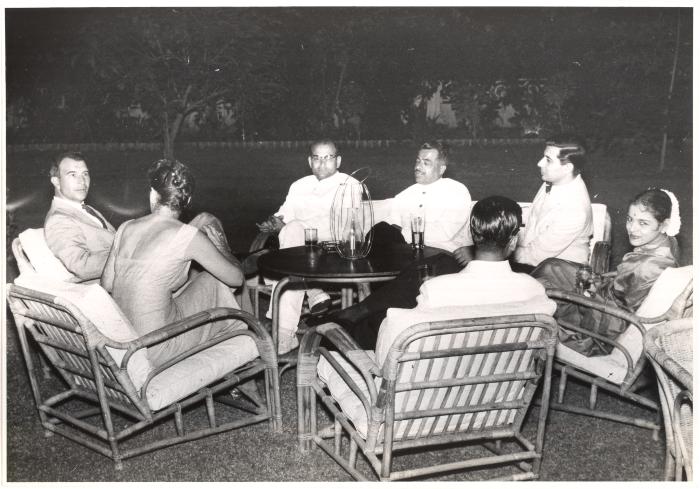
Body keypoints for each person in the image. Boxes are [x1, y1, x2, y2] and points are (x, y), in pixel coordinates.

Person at [101, 159, 246, 367]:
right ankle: (241, 355)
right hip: (157, 348)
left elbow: (107, 285)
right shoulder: (188, 236)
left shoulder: (125, 227)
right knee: (217, 281)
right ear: (187, 201)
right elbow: (237, 279)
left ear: (153, 193)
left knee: (202, 281)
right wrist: (220, 243)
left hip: (125, 342)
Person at [374, 196, 557, 355]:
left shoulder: (436, 290)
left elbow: (390, 357)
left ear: (473, 235)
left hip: (435, 392)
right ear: (514, 241)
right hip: (506, 393)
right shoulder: (534, 289)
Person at [532, 188, 681, 357]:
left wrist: (589, 290)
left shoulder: (648, 267)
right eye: (630, 219)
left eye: (643, 223)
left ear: (665, 225)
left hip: (602, 328)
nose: (632, 229)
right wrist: (597, 282)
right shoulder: (667, 244)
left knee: (543, 283)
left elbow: (616, 312)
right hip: (608, 303)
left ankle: (517, 316)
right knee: (552, 267)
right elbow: (623, 287)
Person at [256, 139, 358, 354]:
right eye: (316, 158)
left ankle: (285, 330)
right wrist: (274, 223)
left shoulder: (350, 185)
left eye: (328, 158)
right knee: (291, 230)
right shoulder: (299, 185)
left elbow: (347, 227)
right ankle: (312, 293)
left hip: (332, 249)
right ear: (309, 161)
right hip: (298, 248)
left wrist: (292, 227)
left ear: (338, 160)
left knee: (291, 236)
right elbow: (283, 218)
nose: (322, 163)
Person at [378, 140, 473, 261]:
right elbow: (392, 227)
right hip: (408, 255)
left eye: (426, 163)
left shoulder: (457, 191)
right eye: (418, 161)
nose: (418, 167)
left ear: (441, 169)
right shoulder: (405, 195)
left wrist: (402, 233)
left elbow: (444, 234)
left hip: (444, 256)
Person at [513, 135, 593, 272]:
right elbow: (536, 213)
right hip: (536, 257)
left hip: (556, 274)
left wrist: (496, 250)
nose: (540, 163)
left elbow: (532, 256)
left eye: (548, 160)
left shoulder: (574, 210)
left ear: (567, 167)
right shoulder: (556, 181)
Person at [44, 152, 116, 283]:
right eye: (72, 174)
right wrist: (126, 255)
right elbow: (82, 265)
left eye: (85, 174)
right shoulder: (58, 219)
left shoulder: (87, 209)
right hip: (106, 290)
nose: (82, 181)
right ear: (56, 181)